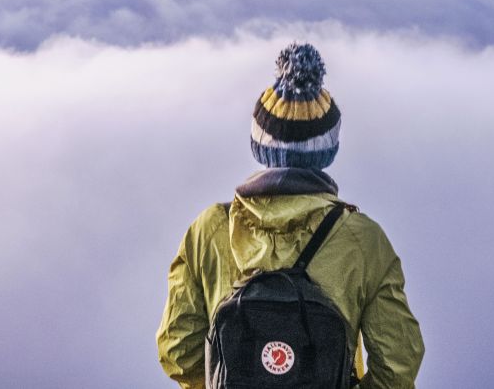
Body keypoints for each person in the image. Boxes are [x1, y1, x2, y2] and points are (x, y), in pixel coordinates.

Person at [156, 42, 424, 388]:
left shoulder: (209, 230)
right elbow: (398, 364)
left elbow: (177, 350)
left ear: (259, 146)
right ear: (328, 151)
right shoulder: (362, 240)